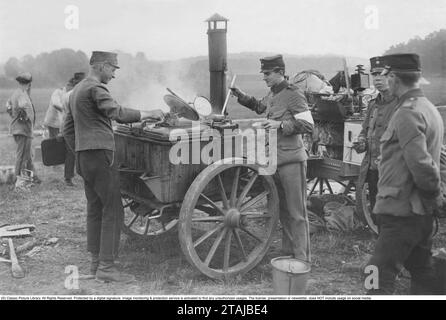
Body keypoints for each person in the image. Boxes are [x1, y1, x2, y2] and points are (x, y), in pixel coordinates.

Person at [62, 51, 164, 283]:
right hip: (101, 156)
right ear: (102, 66)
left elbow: (66, 128)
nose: (114, 74)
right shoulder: (95, 88)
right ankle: (107, 268)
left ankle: (96, 263)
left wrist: (81, 149)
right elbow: (116, 113)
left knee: (95, 208)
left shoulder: (75, 90)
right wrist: (149, 113)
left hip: (83, 157)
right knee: (113, 210)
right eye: (113, 69)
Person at [365, 53, 444, 295]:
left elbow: (422, 165)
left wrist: (434, 200)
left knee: (375, 274)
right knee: (422, 271)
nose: (384, 79)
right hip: (417, 213)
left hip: (403, 212)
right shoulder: (427, 107)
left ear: (395, 78)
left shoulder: (407, 112)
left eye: (387, 75)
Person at [230, 54, 313, 262]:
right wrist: (241, 95)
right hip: (274, 161)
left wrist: (281, 125)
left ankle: (302, 258)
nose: (264, 77)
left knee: (297, 212)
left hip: (292, 161)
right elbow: (260, 107)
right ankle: (288, 251)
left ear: (279, 72)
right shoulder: (273, 94)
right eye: (263, 74)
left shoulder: (293, 94)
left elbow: (309, 126)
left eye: (267, 74)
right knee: (282, 210)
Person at [353, 56, 399, 213]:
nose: (378, 79)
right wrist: (361, 141)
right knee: (377, 208)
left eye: (383, 74)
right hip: (372, 168)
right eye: (374, 75)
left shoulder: (402, 104)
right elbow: (364, 131)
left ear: (392, 76)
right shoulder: (373, 104)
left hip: (394, 170)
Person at [8, 71, 41, 185]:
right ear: (28, 83)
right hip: (23, 130)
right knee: (22, 156)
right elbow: (22, 106)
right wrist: (24, 118)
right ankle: (18, 180)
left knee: (28, 155)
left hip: (20, 129)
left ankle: (33, 177)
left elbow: (8, 106)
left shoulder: (16, 92)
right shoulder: (22, 93)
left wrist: (14, 116)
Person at [60, 72, 86, 186]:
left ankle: (68, 177)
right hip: (75, 127)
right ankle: (81, 176)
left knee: (70, 153)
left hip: (66, 125)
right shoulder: (76, 95)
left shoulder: (67, 94)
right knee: (78, 153)